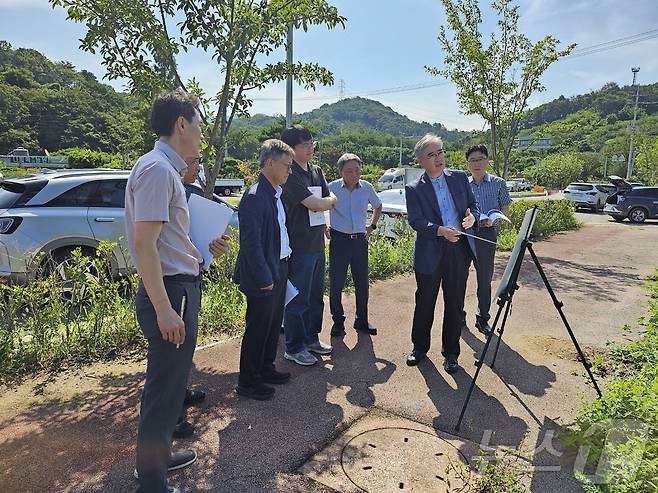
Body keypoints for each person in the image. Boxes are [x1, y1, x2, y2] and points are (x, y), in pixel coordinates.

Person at [125, 89, 229, 493]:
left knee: (172, 386)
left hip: (180, 287)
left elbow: (171, 243)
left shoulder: (166, 170)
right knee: (164, 387)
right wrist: (164, 308)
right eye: (199, 124)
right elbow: (143, 245)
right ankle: (151, 479)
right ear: (181, 124)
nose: (202, 133)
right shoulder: (157, 170)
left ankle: (161, 456)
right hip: (170, 294)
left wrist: (207, 251)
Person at [404, 134, 479, 374]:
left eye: (441, 152)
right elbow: (416, 220)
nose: (439, 158)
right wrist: (439, 231)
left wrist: (472, 217)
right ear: (420, 161)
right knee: (425, 301)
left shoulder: (458, 178)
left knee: (455, 303)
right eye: (432, 155)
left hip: (458, 248)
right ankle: (419, 347)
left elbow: (472, 204)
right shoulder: (414, 188)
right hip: (431, 250)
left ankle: (451, 354)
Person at [233, 139, 295, 399]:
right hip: (264, 274)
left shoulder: (276, 194)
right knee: (258, 327)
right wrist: (263, 277)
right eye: (287, 166)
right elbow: (251, 244)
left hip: (279, 267)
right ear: (269, 163)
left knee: (272, 326)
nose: (289, 171)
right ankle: (248, 381)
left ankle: (266, 368)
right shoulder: (256, 196)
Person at [281, 124, 337, 366]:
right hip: (299, 244)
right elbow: (317, 203)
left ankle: (311, 338)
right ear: (290, 149)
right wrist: (327, 201)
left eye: (311, 143)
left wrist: (325, 202)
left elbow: (327, 199)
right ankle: (293, 346)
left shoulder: (316, 170)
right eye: (304, 145)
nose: (310, 148)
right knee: (297, 298)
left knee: (316, 296)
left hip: (316, 242)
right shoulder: (289, 174)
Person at [327, 153, 382, 337]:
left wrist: (371, 226)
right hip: (339, 240)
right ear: (341, 171)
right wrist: (323, 227)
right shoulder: (332, 187)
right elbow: (319, 208)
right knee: (336, 283)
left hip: (359, 241)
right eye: (349, 170)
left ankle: (362, 320)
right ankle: (338, 321)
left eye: (357, 170)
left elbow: (378, 206)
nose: (353, 174)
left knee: (362, 283)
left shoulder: (366, 187)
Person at [465, 144, 512, 336]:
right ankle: (458, 315)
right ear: (467, 163)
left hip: (486, 235)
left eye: (480, 159)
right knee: (458, 277)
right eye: (472, 160)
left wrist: (494, 222)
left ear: (487, 160)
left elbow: (506, 209)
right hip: (465, 234)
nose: (476, 163)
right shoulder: (462, 184)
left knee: (484, 279)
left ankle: (482, 317)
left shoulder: (498, 183)